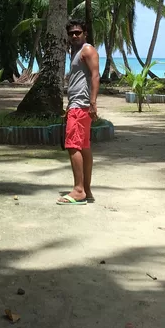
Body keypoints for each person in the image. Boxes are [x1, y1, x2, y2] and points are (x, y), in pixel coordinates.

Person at [58, 19, 100, 205]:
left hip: (81, 105)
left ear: (85, 34)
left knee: (73, 145)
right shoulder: (75, 52)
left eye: (78, 32)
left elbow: (95, 75)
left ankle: (78, 190)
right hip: (76, 105)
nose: (74, 35)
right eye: (71, 33)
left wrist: (93, 102)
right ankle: (87, 190)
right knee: (83, 146)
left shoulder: (87, 50)